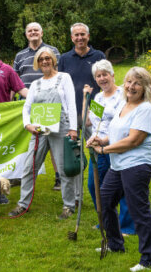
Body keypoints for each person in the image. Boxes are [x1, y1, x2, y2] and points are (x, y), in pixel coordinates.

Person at [88, 67, 151, 271]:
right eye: (129, 81)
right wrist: (101, 139)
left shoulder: (145, 108)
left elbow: (133, 141)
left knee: (139, 211)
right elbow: (118, 134)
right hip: (119, 165)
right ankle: (115, 245)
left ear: (145, 87)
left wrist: (103, 150)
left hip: (138, 165)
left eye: (137, 83)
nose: (131, 86)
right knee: (104, 200)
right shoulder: (124, 104)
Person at [9, 47, 78, 219]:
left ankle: (69, 205)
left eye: (47, 58)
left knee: (63, 168)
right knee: (29, 167)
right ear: (37, 63)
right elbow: (27, 107)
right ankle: (23, 204)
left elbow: (71, 104)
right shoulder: (35, 84)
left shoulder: (64, 78)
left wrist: (73, 129)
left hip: (60, 128)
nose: (45, 61)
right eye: (41, 59)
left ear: (53, 60)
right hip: (39, 130)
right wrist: (27, 125)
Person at [83, 60, 135, 235]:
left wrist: (105, 140)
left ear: (113, 75)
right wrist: (86, 99)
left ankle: (127, 226)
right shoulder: (97, 97)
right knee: (94, 185)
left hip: (116, 145)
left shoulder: (123, 95)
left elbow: (124, 123)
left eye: (105, 74)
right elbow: (92, 122)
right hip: (98, 147)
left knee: (121, 187)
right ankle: (106, 220)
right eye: (98, 76)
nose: (102, 78)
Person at [58, 22, 105, 206]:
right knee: (74, 155)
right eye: (76, 35)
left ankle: (101, 192)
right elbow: (60, 86)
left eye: (83, 34)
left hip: (93, 113)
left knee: (96, 151)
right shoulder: (64, 58)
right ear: (71, 38)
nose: (79, 38)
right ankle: (77, 197)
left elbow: (105, 83)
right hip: (71, 114)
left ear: (88, 36)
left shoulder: (99, 56)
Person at [13, 22, 62, 190]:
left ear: (41, 32)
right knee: (25, 142)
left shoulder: (53, 51)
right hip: (26, 104)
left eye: (36, 30)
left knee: (53, 138)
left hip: (49, 104)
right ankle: (21, 174)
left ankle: (59, 177)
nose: (33, 33)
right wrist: (10, 102)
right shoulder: (20, 56)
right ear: (26, 34)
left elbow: (60, 74)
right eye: (30, 31)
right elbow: (14, 80)